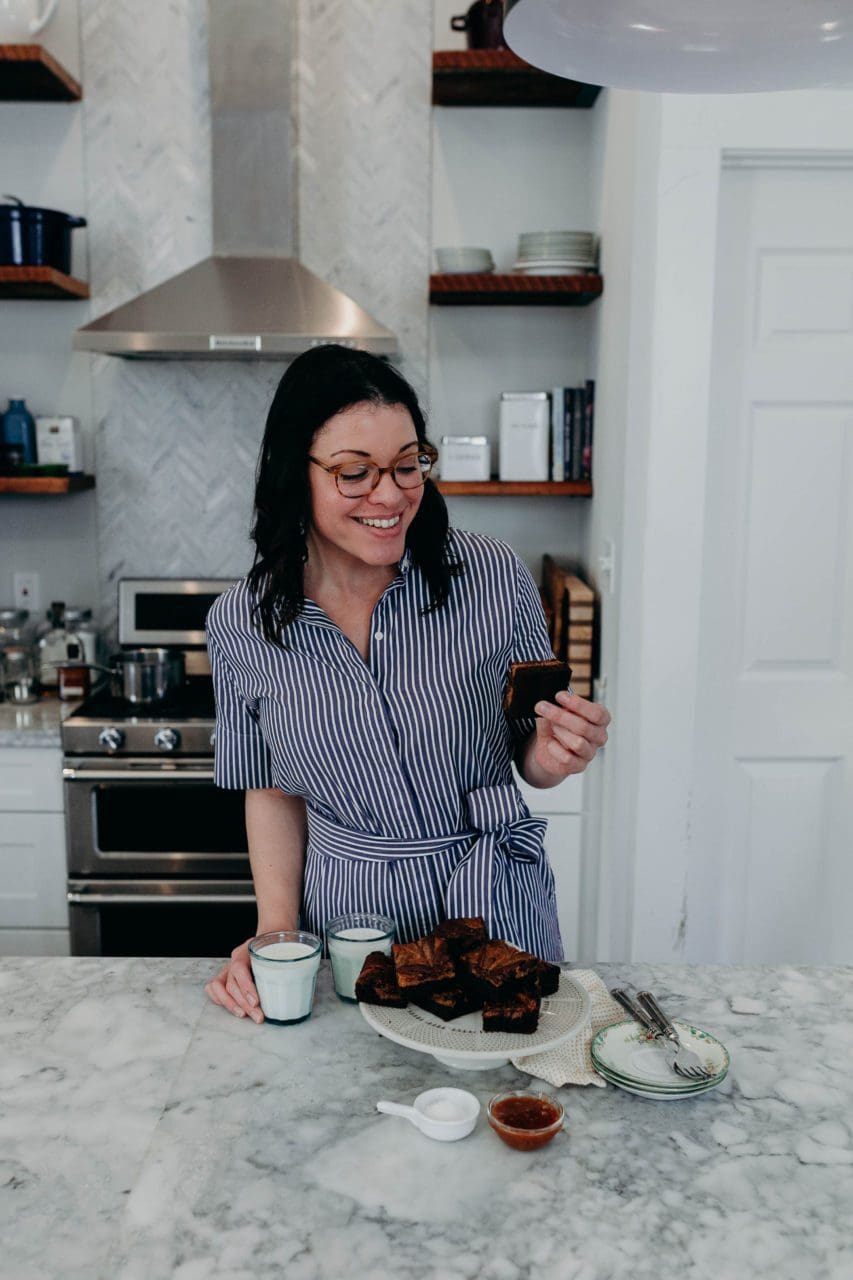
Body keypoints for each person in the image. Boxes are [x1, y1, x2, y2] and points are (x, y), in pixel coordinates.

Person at [204, 344, 610, 1022]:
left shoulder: (491, 577)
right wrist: (275, 931)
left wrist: (556, 753)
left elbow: (528, 756)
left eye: (406, 464)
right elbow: (272, 790)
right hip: (351, 934)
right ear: (291, 474)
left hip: (492, 912)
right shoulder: (241, 624)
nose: (390, 496)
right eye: (354, 473)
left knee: (499, 1100)